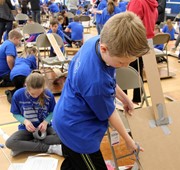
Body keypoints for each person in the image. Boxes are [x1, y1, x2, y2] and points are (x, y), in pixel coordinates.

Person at [53, 12, 149, 170]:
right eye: (121, 62)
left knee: (75, 163)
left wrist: (125, 99)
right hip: (78, 133)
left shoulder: (95, 42)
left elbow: (109, 80)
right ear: (104, 49)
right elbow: (110, 112)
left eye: (129, 62)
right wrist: (128, 140)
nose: (125, 66)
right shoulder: (95, 82)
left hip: (67, 116)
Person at [5, 71, 62, 157]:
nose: (35, 96)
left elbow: (53, 111)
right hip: (26, 129)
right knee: (9, 142)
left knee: (61, 137)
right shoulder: (18, 95)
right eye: (32, 94)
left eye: (38, 94)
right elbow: (15, 113)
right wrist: (25, 121)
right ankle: (49, 148)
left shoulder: (48, 94)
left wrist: (46, 122)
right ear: (26, 86)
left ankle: (25, 146)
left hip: (45, 129)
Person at [127, 0, 158, 103]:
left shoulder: (137, 2)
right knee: (139, 70)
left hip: (135, 40)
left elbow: (130, 22)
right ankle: (137, 97)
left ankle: (123, 101)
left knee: (124, 69)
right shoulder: (152, 3)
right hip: (147, 41)